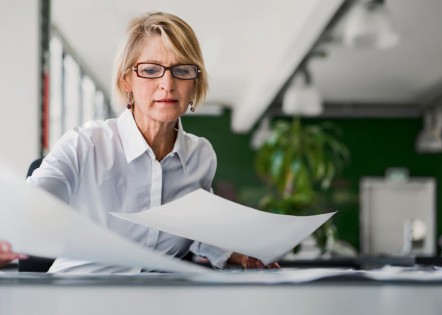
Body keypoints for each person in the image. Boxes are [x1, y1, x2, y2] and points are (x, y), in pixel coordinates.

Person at [0, 11, 278, 272]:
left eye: (181, 70)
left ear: (195, 82)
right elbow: (25, 207)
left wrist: (240, 255)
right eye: (150, 70)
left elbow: (197, 228)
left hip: (157, 300)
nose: (167, 84)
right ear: (126, 82)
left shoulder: (200, 156)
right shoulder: (85, 145)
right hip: (78, 298)